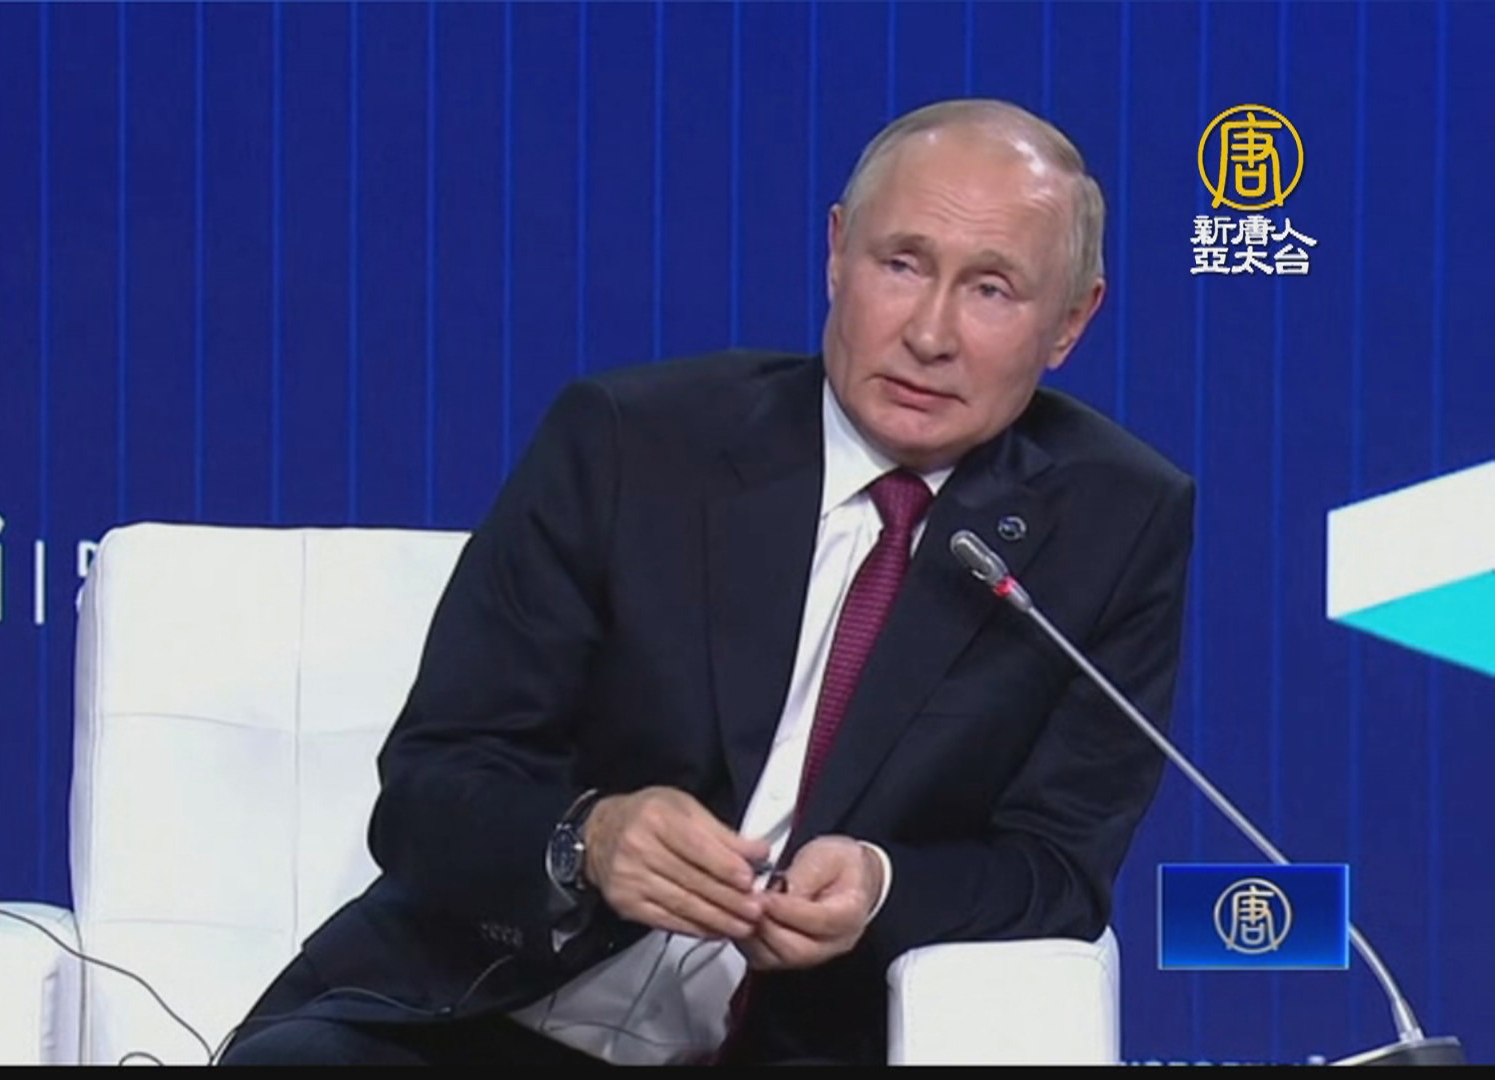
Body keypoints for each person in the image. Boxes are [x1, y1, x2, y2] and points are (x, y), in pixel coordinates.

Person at [217, 97, 1195, 1066]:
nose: (930, 334)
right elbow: (431, 787)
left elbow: (1055, 869)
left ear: (1070, 322)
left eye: (991, 290)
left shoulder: (1114, 522)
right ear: (837, 252)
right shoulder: (631, 444)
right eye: (901, 265)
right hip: (478, 1019)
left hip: (790, 1047)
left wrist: (882, 885)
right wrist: (588, 839)